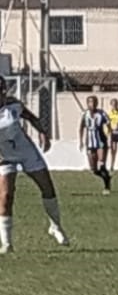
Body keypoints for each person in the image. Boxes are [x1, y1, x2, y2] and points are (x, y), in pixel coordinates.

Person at [0, 78, 70, 252]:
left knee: (47, 188)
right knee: (6, 196)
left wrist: (42, 133)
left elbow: (32, 118)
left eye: (3, 90)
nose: (2, 94)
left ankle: (55, 226)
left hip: (26, 152)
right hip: (4, 156)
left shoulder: (13, 105)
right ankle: (7, 243)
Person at [79, 95, 113, 194]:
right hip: (90, 143)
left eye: (94, 102)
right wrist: (81, 141)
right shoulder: (85, 115)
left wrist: (109, 137)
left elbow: (109, 126)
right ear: (87, 104)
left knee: (101, 163)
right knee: (94, 169)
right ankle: (107, 177)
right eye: (90, 102)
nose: (92, 104)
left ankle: (107, 187)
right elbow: (81, 128)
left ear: (97, 103)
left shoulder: (102, 114)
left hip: (101, 142)